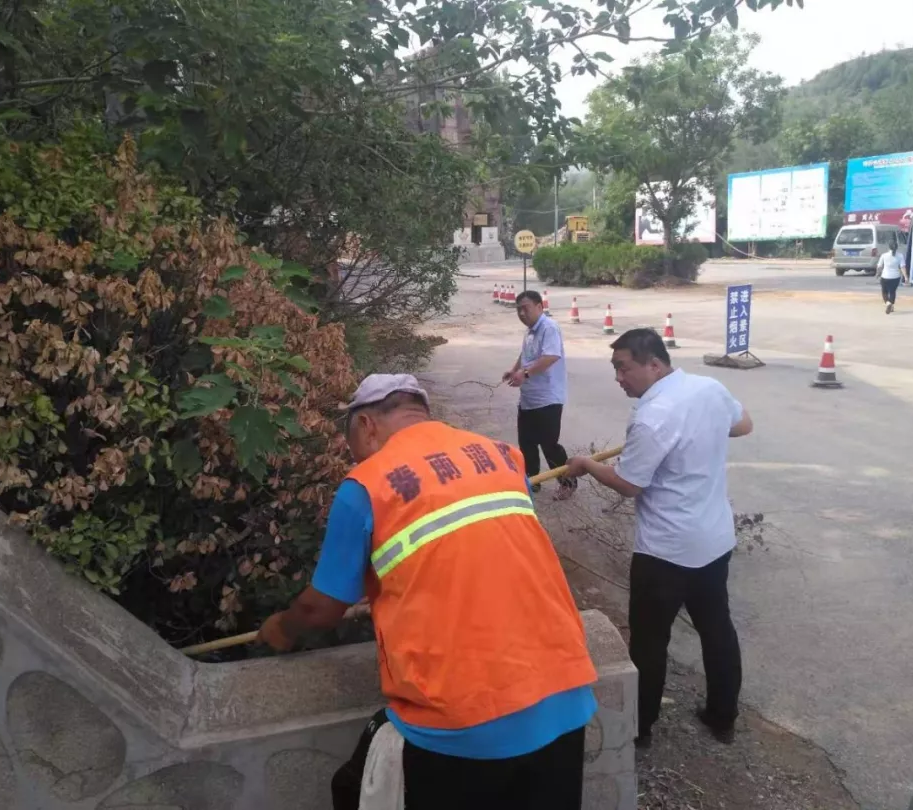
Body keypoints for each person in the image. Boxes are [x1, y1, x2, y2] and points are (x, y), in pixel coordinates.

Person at [259, 373, 599, 810]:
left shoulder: (366, 485)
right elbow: (480, 550)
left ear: (366, 425)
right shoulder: (501, 455)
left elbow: (318, 611)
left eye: (351, 443)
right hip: (564, 694)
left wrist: (280, 629)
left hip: (464, 723)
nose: (354, 455)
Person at [564, 329, 753, 749]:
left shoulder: (651, 416)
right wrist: (701, 433)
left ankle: (641, 726)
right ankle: (723, 718)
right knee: (716, 628)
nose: (619, 379)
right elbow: (743, 424)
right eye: (616, 369)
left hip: (665, 552)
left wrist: (585, 465)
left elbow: (629, 484)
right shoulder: (708, 387)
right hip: (712, 542)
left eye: (623, 368)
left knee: (650, 640)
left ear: (654, 364)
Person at [502, 290, 576, 500]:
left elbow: (551, 356)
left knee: (549, 445)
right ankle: (531, 482)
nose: (522, 314)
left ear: (539, 307)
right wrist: (514, 369)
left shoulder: (548, 327)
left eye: (525, 308)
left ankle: (568, 482)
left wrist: (524, 373)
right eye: (519, 310)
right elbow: (525, 354)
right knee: (527, 444)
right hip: (529, 400)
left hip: (548, 398)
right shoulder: (529, 331)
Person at [877, 240, 909, 314]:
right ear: (897, 247)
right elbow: (902, 267)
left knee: (884, 292)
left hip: (885, 276)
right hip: (895, 277)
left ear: (889, 247)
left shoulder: (884, 255)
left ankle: (888, 303)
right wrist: (906, 277)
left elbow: (879, 266)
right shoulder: (900, 255)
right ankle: (891, 306)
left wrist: (877, 274)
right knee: (892, 292)